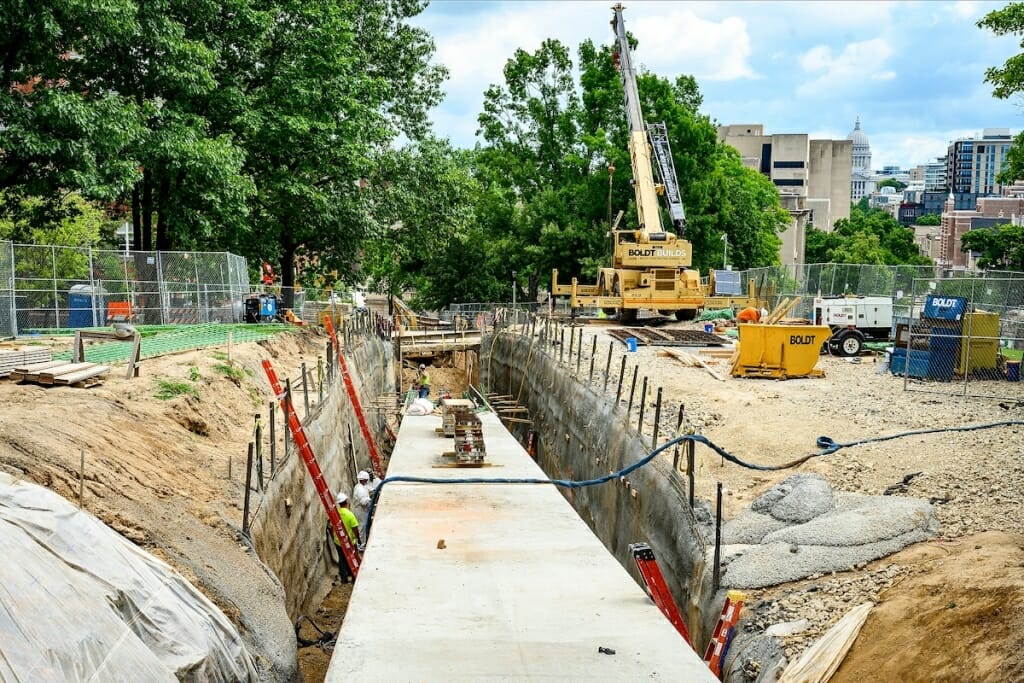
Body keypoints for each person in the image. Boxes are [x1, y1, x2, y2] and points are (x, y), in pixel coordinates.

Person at [330, 492, 361, 583]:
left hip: (338, 541)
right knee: (353, 558)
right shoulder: (350, 514)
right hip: (349, 541)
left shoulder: (336, 513)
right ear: (346, 501)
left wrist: (334, 538)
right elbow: (355, 528)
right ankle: (354, 576)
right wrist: (358, 538)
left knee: (342, 559)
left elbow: (332, 527)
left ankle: (344, 578)